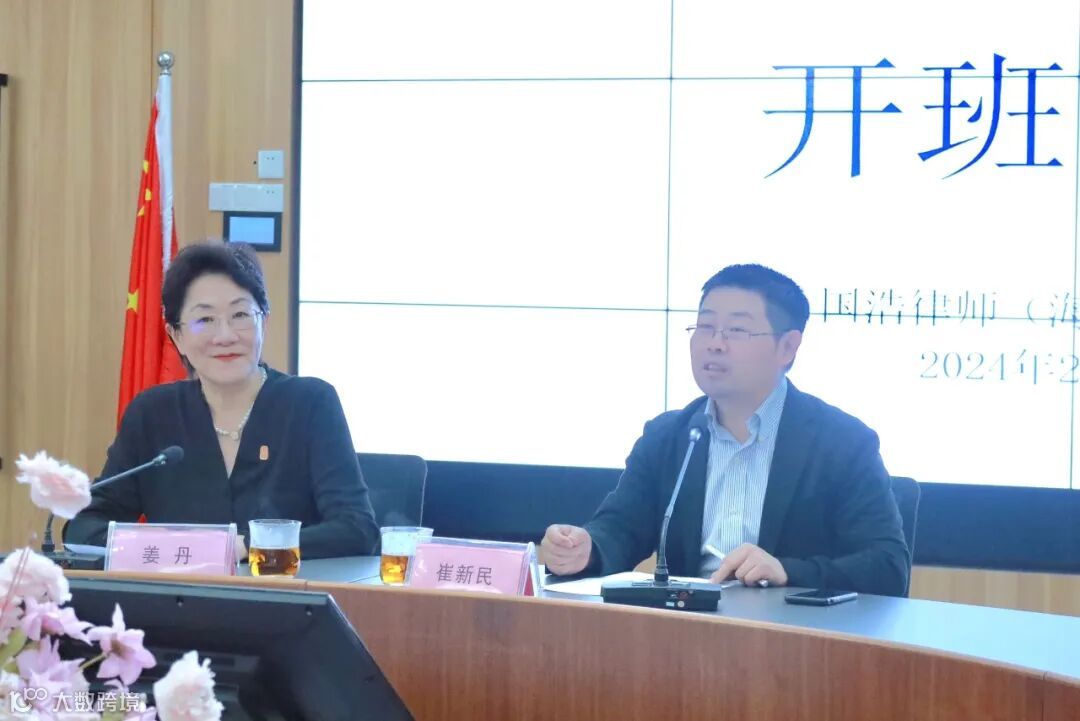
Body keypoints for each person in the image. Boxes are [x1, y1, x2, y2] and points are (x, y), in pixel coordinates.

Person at [541, 264, 910, 596]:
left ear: (787, 347)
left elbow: (888, 566)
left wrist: (787, 572)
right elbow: (622, 528)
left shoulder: (841, 443)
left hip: (792, 637)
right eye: (705, 327)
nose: (715, 344)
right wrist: (587, 548)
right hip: (688, 630)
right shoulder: (669, 436)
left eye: (737, 330)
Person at [64, 241, 379, 559]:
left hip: (285, 588)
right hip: (179, 591)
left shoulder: (310, 403)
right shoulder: (153, 414)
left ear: (263, 322)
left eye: (240, 315)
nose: (225, 335)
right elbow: (84, 525)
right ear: (176, 336)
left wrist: (246, 548)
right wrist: (169, 550)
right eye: (205, 320)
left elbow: (356, 529)